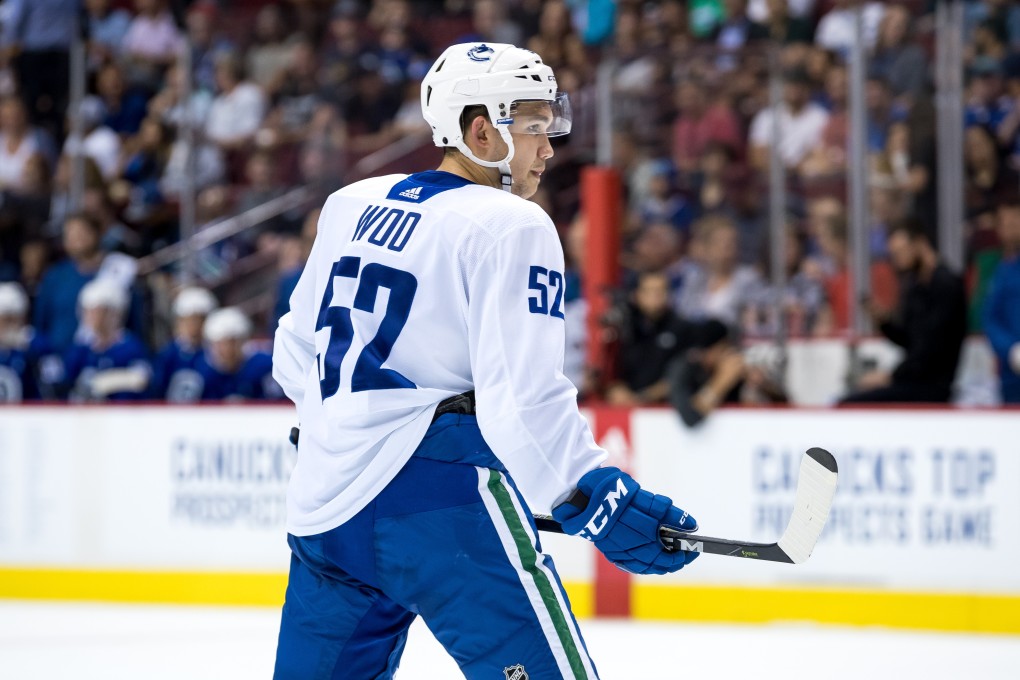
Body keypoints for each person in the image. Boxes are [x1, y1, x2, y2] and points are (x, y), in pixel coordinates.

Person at [271, 42, 699, 680]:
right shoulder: (510, 225)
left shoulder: (350, 204)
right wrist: (596, 497)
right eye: (533, 126)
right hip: (439, 508)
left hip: (323, 506)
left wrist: (343, 429)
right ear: (481, 130)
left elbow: (292, 350)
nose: (548, 146)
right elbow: (522, 405)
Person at [841, 219, 967, 404]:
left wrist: (891, 376)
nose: (897, 261)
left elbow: (932, 347)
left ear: (919, 244)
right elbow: (909, 340)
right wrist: (884, 321)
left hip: (932, 386)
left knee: (850, 405)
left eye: (900, 253)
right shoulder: (915, 287)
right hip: (911, 381)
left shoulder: (946, 284)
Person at [668, 319, 786, 427]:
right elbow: (690, 418)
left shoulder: (735, 361)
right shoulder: (684, 368)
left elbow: (783, 403)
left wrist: (762, 385)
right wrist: (723, 380)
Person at [63, 279, 150, 402]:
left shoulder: (131, 348)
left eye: (98, 311)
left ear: (115, 313)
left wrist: (103, 382)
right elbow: (64, 383)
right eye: (88, 310)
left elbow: (141, 380)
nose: (92, 317)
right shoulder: (80, 348)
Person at [193, 306, 281, 401]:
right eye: (221, 344)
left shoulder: (264, 366)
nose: (227, 349)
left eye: (232, 342)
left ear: (243, 341)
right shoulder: (202, 370)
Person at [983, 198, 1020, 403]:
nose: (1007, 228)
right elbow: (991, 319)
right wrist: (1011, 350)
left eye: (1013, 221)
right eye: (1003, 223)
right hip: (1012, 380)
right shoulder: (1002, 270)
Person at [151, 286, 217, 401]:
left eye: (199, 320)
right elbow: (157, 389)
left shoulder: (215, 353)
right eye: (189, 320)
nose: (194, 326)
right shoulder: (169, 354)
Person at [0, 282, 61, 401]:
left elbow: (55, 380)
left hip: (30, 412)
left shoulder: (38, 343)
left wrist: (30, 350)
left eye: (9, 319)